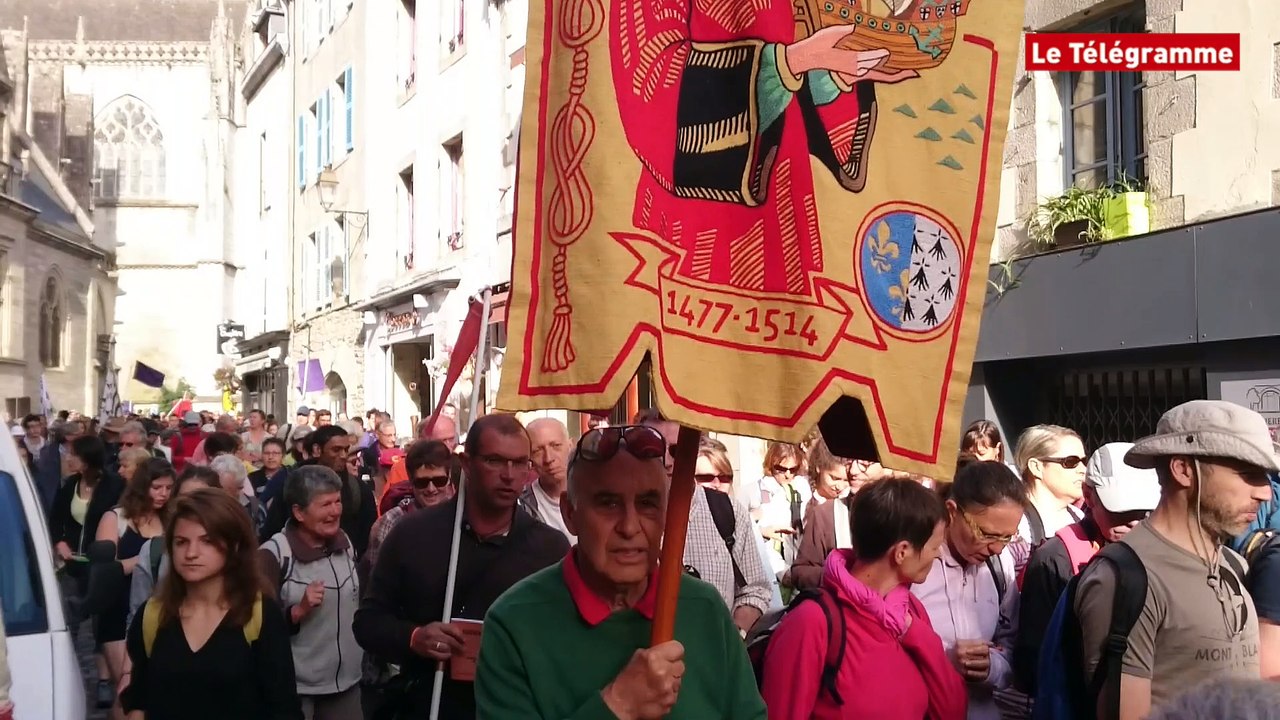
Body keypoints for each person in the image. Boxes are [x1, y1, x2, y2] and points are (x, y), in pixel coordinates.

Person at [475, 424, 767, 719]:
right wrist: (618, 705)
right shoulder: (514, 624)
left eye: (647, 503)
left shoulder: (705, 609)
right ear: (570, 513)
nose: (629, 527)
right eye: (608, 504)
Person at [354, 414, 569, 718]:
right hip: (430, 703)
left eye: (520, 463)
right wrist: (415, 637)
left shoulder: (549, 547)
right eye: (495, 461)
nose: (509, 475)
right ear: (467, 463)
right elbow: (368, 622)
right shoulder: (412, 534)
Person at [1073, 400, 1274, 720]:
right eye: (1247, 474)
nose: (1265, 493)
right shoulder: (1125, 577)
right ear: (1183, 469)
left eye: (1265, 476)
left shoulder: (1234, 564)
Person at [761, 478, 966, 719]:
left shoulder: (911, 612)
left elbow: (951, 711)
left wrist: (917, 636)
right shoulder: (812, 621)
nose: (938, 556)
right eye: (934, 547)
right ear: (902, 552)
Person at [120, 489, 302, 719]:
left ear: (234, 545)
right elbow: (138, 697)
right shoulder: (153, 614)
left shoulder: (259, 615)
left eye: (207, 541)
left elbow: (283, 706)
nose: (191, 553)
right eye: (181, 542)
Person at [1014, 442, 1159, 694]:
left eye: (1143, 510)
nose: (1134, 521)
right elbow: (1033, 664)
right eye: (1121, 510)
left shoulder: (1158, 551)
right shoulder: (1053, 559)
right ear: (1088, 495)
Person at [912, 461, 1023, 720]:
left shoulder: (999, 565)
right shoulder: (914, 564)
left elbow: (1013, 646)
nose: (996, 548)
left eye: (1007, 537)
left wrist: (992, 667)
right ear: (952, 511)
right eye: (986, 534)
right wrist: (944, 661)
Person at [260, 466, 363, 719]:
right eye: (325, 504)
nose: (335, 511)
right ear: (298, 512)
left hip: (347, 686)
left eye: (337, 501)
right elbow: (258, 630)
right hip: (296, 690)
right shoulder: (273, 555)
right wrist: (297, 612)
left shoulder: (345, 543)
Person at [127, 465, 221, 629]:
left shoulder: (234, 548)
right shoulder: (152, 552)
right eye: (185, 499)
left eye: (201, 499)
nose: (192, 507)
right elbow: (137, 618)